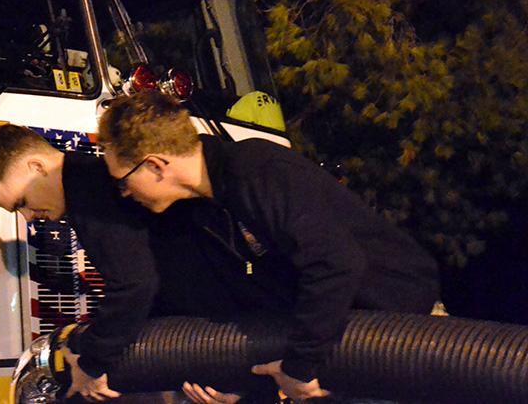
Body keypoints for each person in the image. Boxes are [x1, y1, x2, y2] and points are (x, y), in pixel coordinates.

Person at [97, 91, 440, 403]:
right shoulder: (203, 211)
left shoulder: (260, 171)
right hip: (336, 338)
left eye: (124, 182)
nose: (126, 193)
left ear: (156, 165)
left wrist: (299, 366)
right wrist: (240, 385)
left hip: (395, 329)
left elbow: (335, 265)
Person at [0, 124, 160, 401]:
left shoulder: (91, 193)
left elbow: (135, 284)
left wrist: (90, 365)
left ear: (37, 166)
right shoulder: (90, 181)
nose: (27, 217)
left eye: (22, 202)